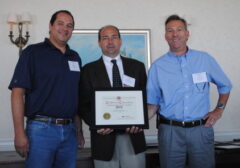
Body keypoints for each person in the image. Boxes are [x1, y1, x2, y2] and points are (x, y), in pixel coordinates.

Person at [147, 14, 232, 168]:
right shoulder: (157, 67)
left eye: (179, 29)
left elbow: (225, 85)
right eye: (170, 30)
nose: (175, 34)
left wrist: (218, 110)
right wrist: (132, 121)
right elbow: (152, 104)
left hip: (200, 130)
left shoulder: (204, 59)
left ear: (187, 34)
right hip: (170, 131)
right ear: (165, 36)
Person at [8, 10, 84, 168]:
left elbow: (75, 95)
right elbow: (17, 93)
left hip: (69, 132)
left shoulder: (75, 57)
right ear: (50, 26)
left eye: (69, 25)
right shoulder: (32, 52)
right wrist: (19, 133)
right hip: (41, 131)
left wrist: (78, 130)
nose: (65, 28)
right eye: (60, 23)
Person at [79, 25, 147, 168]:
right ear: (99, 43)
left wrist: (139, 122)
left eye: (114, 37)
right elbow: (83, 105)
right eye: (105, 38)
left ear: (120, 41)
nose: (110, 41)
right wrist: (96, 124)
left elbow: (145, 99)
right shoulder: (88, 70)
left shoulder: (137, 67)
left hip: (132, 136)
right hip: (102, 138)